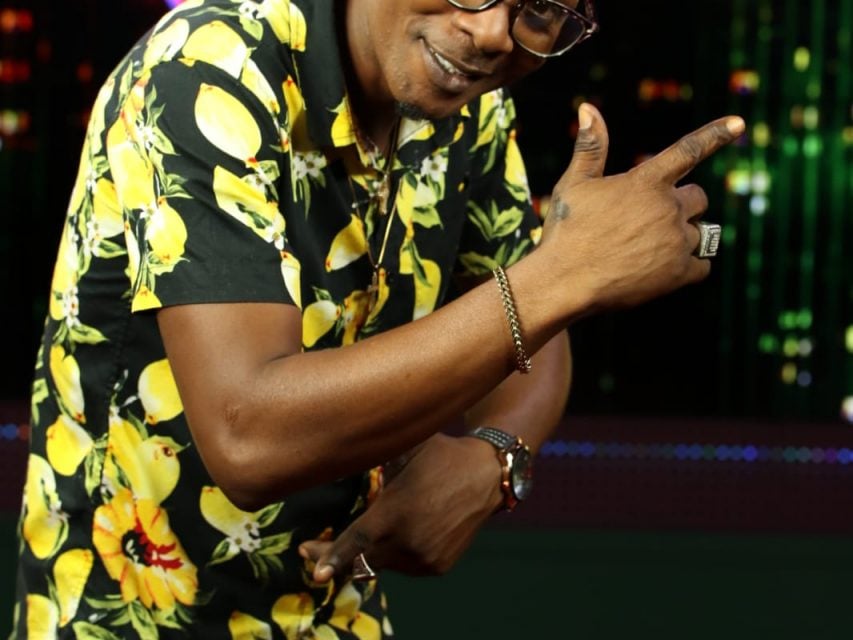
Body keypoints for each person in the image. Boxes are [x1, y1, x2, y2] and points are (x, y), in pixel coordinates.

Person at [10, 0, 743, 637]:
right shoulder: (206, 69)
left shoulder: (468, 104)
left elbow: (535, 338)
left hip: (335, 612)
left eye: (542, 9)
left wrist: (497, 457)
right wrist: (564, 274)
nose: (494, 32)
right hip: (128, 615)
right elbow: (248, 436)